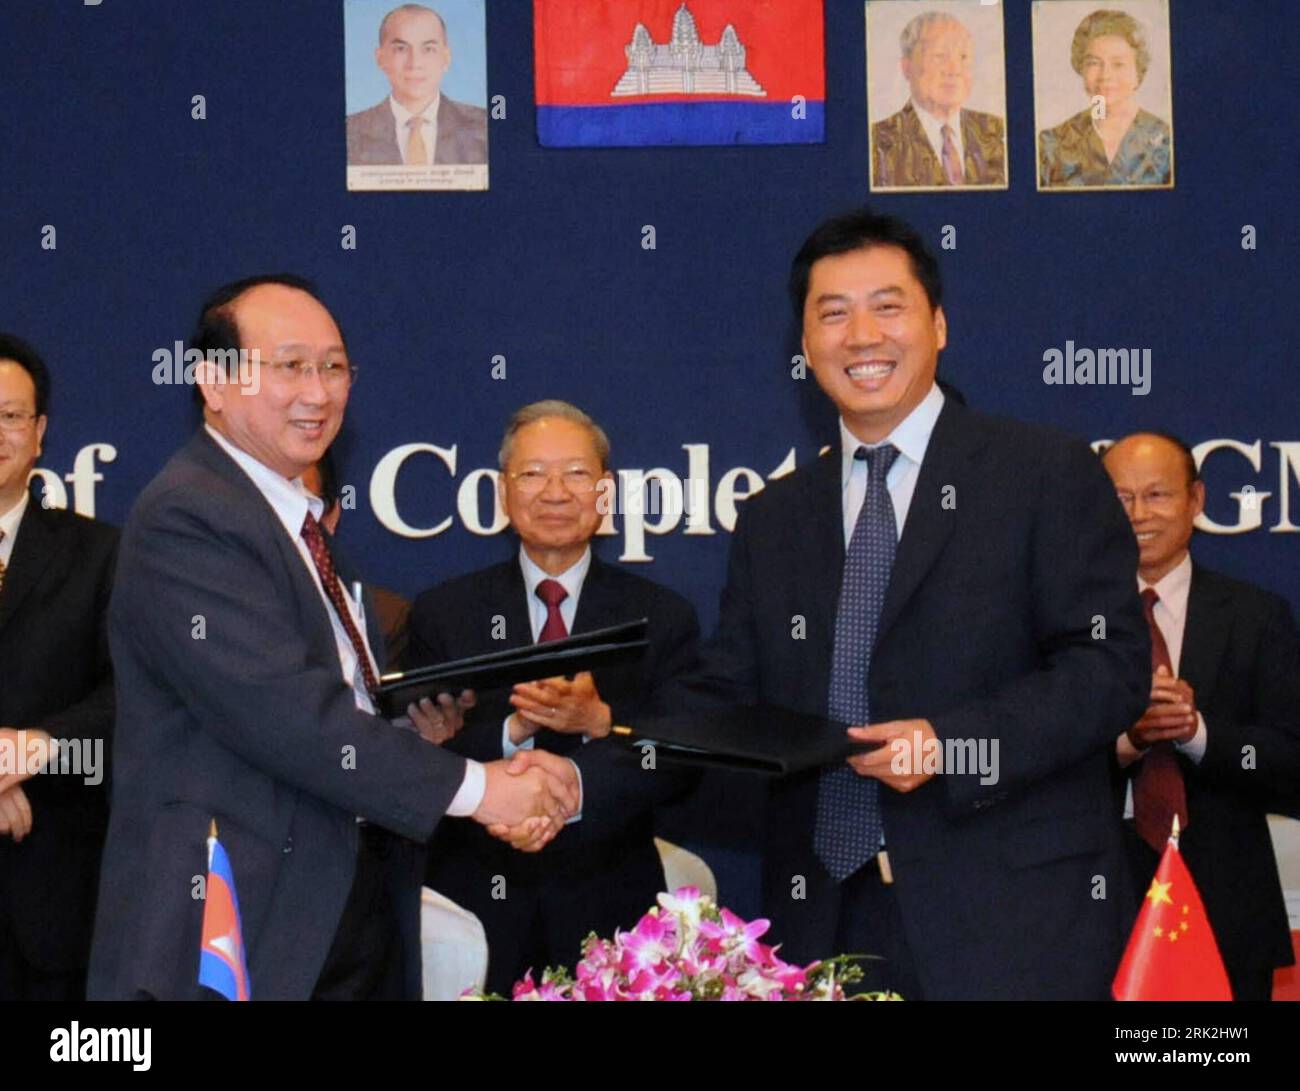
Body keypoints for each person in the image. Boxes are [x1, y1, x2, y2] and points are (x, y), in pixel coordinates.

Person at [682, 209, 1149, 999]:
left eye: (887, 306)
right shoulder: (773, 518)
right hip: (824, 917)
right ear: (803, 345)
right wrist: (605, 734)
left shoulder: (1044, 472)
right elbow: (729, 697)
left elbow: (1109, 669)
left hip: (1011, 918)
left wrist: (949, 746)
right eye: (832, 312)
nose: (861, 335)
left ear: (938, 323)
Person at [86, 276, 577, 1000]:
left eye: (335, 366)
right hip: (243, 917)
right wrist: (482, 791)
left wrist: (419, 734)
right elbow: (283, 713)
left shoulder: (298, 522)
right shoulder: (190, 514)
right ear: (213, 382)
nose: (319, 393)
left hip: (346, 895)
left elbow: (338, 709)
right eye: (289, 366)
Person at [408, 400, 700, 994]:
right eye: (533, 474)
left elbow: (685, 758)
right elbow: (417, 749)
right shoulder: (445, 611)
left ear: (605, 492)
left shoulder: (661, 615)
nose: (555, 492)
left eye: (575, 474)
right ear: (502, 492)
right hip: (474, 906)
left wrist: (602, 721)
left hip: (612, 906)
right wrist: (512, 730)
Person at [1102, 432, 1300, 1000]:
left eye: (1158, 495)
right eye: (1121, 499)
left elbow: (1293, 763)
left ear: (1196, 501)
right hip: (1096, 904)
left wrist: (1199, 735)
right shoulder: (1066, 619)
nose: (1139, 514)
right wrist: (1127, 742)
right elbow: (1033, 759)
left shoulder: (1257, 616)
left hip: (1226, 910)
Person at [0, 335, 117, 1000]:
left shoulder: (100, 554)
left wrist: (35, 749)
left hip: (55, 912)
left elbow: (132, 696)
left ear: (40, 432)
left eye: (10, 416)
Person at [1038, 8, 1172, 188]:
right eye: (1093, 63)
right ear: (1081, 68)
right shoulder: (1053, 144)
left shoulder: (1166, 140)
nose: (1105, 75)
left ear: (1138, 71)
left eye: (1118, 64)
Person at [871, 11, 1005, 189]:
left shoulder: (997, 131)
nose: (954, 69)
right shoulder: (878, 141)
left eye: (963, 57)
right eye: (940, 56)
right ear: (907, 67)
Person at [347, 4, 487, 167]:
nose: (415, 63)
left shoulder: (485, 127)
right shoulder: (348, 132)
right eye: (401, 49)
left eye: (428, 49)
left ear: (446, 58)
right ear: (380, 58)